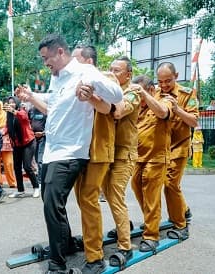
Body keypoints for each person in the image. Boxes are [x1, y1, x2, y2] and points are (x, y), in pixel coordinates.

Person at [16, 34, 123, 274]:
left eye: (47, 58)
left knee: (54, 204)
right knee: (50, 201)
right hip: (53, 151)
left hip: (71, 152)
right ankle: (64, 245)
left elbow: (117, 96)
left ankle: (59, 263)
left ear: (60, 52)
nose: (45, 64)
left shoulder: (86, 72)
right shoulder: (57, 78)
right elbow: (54, 107)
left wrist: (92, 89)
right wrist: (31, 96)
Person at [72, 48, 138, 273]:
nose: (111, 73)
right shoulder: (106, 87)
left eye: (116, 71)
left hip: (122, 154)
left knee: (115, 197)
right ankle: (121, 230)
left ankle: (125, 245)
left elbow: (117, 111)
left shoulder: (132, 92)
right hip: (104, 152)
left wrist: (102, 84)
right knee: (99, 199)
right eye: (109, 69)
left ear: (127, 74)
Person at [130, 75, 173, 252]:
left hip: (156, 158)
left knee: (151, 195)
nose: (138, 98)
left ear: (151, 89)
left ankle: (151, 235)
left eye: (141, 93)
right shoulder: (136, 106)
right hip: (137, 158)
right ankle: (151, 220)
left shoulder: (164, 100)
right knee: (137, 188)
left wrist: (144, 95)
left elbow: (163, 113)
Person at [158, 62, 199, 237]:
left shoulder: (187, 94)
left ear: (176, 75)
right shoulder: (155, 93)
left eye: (168, 81)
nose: (164, 85)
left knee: (170, 184)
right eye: (160, 82)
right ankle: (184, 209)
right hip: (159, 148)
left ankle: (180, 224)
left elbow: (194, 121)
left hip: (179, 147)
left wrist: (177, 109)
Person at [4, 96, 40, 198]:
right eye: (9, 102)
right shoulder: (9, 116)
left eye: (13, 102)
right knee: (17, 167)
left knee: (27, 167)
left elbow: (23, 117)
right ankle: (20, 190)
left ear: (17, 103)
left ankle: (36, 187)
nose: (11, 104)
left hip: (28, 142)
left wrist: (13, 111)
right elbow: (6, 128)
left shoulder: (22, 111)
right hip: (17, 144)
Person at [0, 99, 17, 188]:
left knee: (9, 163)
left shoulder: (6, 114)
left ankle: (12, 182)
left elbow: (8, 125)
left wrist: (2, 131)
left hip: (6, 141)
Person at [28, 104, 47, 188]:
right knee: (36, 159)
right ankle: (40, 178)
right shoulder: (31, 110)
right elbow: (28, 123)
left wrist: (43, 133)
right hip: (33, 138)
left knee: (40, 160)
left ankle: (40, 181)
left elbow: (51, 125)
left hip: (43, 138)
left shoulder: (45, 110)